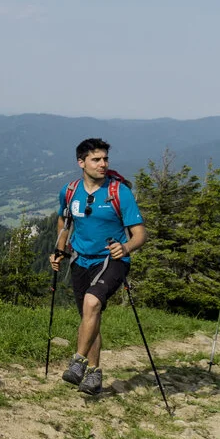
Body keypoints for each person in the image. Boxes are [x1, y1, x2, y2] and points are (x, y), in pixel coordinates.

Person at [49, 138, 147, 395]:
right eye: (96, 159)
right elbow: (64, 221)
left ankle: (78, 361)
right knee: (88, 317)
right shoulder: (70, 191)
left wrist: (126, 247)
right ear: (81, 163)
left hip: (112, 260)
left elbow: (140, 234)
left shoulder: (119, 192)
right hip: (80, 260)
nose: (103, 164)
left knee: (92, 303)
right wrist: (60, 250)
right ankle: (94, 374)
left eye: (105, 159)